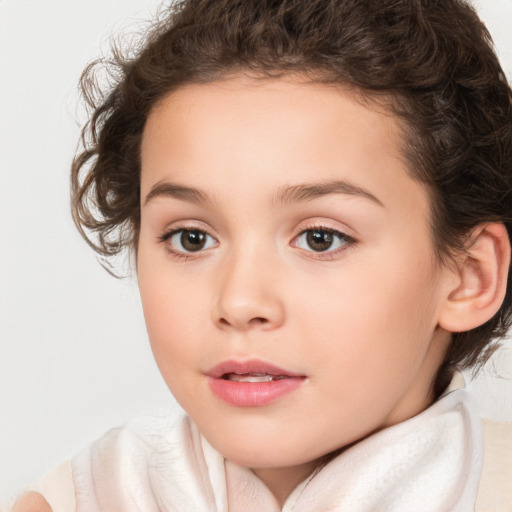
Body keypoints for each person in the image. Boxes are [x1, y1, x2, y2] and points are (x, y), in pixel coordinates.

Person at [10, 0, 512, 510]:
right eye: (191, 238)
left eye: (320, 238)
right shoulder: (81, 499)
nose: (240, 300)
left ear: (470, 276)